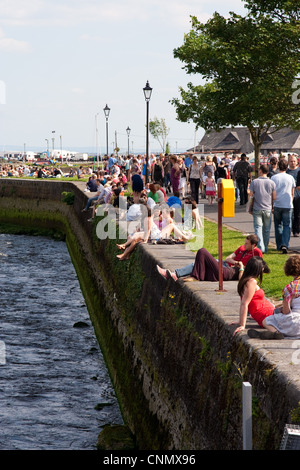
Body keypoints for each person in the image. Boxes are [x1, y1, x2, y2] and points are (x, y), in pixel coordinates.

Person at [156, 234, 262, 282]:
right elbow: (227, 258)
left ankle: (193, 276)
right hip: (224, 266)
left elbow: (243, 277)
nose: (244, 245)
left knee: (202, 251)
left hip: (225, 271)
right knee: (198, 264)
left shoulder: (256, 255)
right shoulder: (242, 249)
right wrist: (237, 262)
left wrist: (242, 267)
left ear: (253, 245)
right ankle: (175, 275)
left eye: (247, 244)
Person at [231, 257, 283, 338]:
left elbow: (244, 302)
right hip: (265, 314)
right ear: (257, 269)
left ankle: (274, 333)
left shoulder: (244, 280)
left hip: (265, 313)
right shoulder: (252, 282)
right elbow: (244, 303)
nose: (263, 269)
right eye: (262, 267)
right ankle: (277, 334)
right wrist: (242, 324)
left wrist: (241, 267)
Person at [258, 254, 300, 339]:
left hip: (296, 322)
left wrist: (280, 310)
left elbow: (286, 311)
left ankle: (276, 333)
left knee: (266, 321)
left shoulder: (289, 288)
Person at [249, 164, 276, 253]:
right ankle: (266, 246)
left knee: (258, 228)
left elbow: (251, 194)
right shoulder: (272, 182)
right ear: (267, 172)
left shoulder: (255, 182)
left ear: (260, 171)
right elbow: (274, 197)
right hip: (267, 208)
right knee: (267, 229)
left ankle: (261, 248)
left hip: (257, 207)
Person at [271, 159, 295, 253]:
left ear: (278, 166)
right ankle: (285, 243)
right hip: (288, 204)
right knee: (287, 225)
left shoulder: (274, 178)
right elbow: (292, 193)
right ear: (287, 167)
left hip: (277, 203)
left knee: (278, 225)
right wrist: (291, 202)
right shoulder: (291, 178)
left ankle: (279, 245)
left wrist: (272, 205)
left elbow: (272, 193)